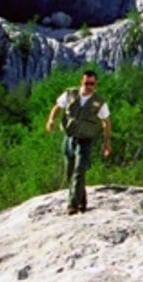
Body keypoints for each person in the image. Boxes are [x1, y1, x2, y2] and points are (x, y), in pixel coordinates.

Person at [45, 69, 112, 214]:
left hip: (85, 141)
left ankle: (72, 205)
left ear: (96, 84)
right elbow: (57, 107)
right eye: (87, 83)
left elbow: (106, 122)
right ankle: (82, 200)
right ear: (82, 81)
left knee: (79, 171)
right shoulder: (70, 94)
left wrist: (106, 143)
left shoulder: (99, 102)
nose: (89, 86)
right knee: (69, 173)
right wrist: (51, 120)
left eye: (92, 84)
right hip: (69, 138)